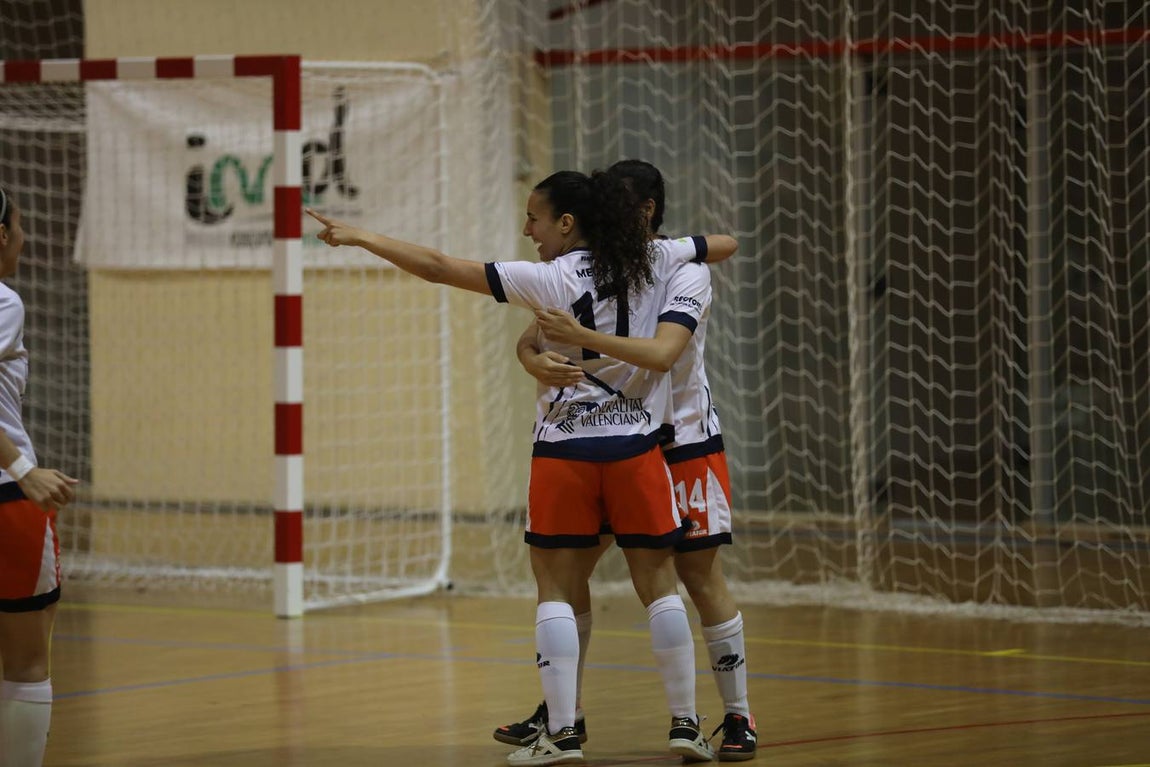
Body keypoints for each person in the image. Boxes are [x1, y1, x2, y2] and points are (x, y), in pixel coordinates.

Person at [306, 170, 731, 766]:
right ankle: (686, 724)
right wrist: (530, 351)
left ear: (567, 222)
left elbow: (435, 265)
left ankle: (563, 734)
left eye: (534, 218)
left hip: (565, 451)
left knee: (556, 587)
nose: (526, 229)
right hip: (637, 450)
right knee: (660, 588)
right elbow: (720, 244)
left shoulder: (548, 279)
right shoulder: (657, 265)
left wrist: (361, 237)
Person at [494, 160, 757, 762]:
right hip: (615, 440)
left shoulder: (679, 267)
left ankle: (736, 715)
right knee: (565, 574)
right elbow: (542, 334)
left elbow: (662, 351)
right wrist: (530, 355)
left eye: (621, 206)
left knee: (697, 576)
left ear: (645, 213)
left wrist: (580, 353)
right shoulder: (598, 265)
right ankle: (565, 713)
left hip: (681, 440)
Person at [0, 187, 81, 767]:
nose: (26, 239)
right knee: (27, 658)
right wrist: (23, 469)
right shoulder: (4, 301)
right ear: (1, 235)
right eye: (22, 227)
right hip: (6, 496)